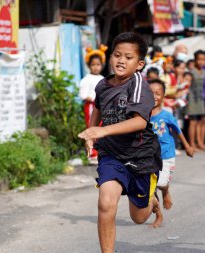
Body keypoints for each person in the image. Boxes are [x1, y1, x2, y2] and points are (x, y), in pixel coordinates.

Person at [78, 32, 162, 253]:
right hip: (112, 154)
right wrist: (92, 133)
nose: (121, 60)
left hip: (140, 156)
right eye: (117, 55)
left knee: (139, 217)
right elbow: (98, 108)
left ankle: (151, 200)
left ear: (139, 64)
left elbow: (139, 123)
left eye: (128, 57)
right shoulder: (103, 85)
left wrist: (102, 130)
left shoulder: (139, 86)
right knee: (105, 202)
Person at [148, 78, 194, 228]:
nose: (154, 96)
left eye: (158, 93)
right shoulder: (142, 115)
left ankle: (166, 190)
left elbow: (178, 131)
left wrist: (187, 146)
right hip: (149, 157)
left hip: (166, 155)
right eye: (150, 93)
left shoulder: (167, 115)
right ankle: (158, 215)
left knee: (161, 184)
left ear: (163, 95)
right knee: (150, 188)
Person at [79, 45, 107, 164]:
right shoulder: (86, 79)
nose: (96, 67)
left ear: (102, 65)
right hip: (91, 106)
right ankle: (91, 154)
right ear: (89, 66)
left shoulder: (103, 78)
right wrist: (89, 97)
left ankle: (99, 151)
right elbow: (82, 94)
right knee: (92, 127)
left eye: (98, 64)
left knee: (101, 128)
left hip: (102, 106)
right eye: (93, 65)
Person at [187, 50, 205, 151]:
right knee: (193, 121)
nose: (201, 62)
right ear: (195, 60)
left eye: (203, 59)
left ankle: (200, 142)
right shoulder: (191, 72)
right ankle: (192, 144)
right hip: (192, 99)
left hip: (202, 99)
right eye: (199, 59)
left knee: (202, 121)